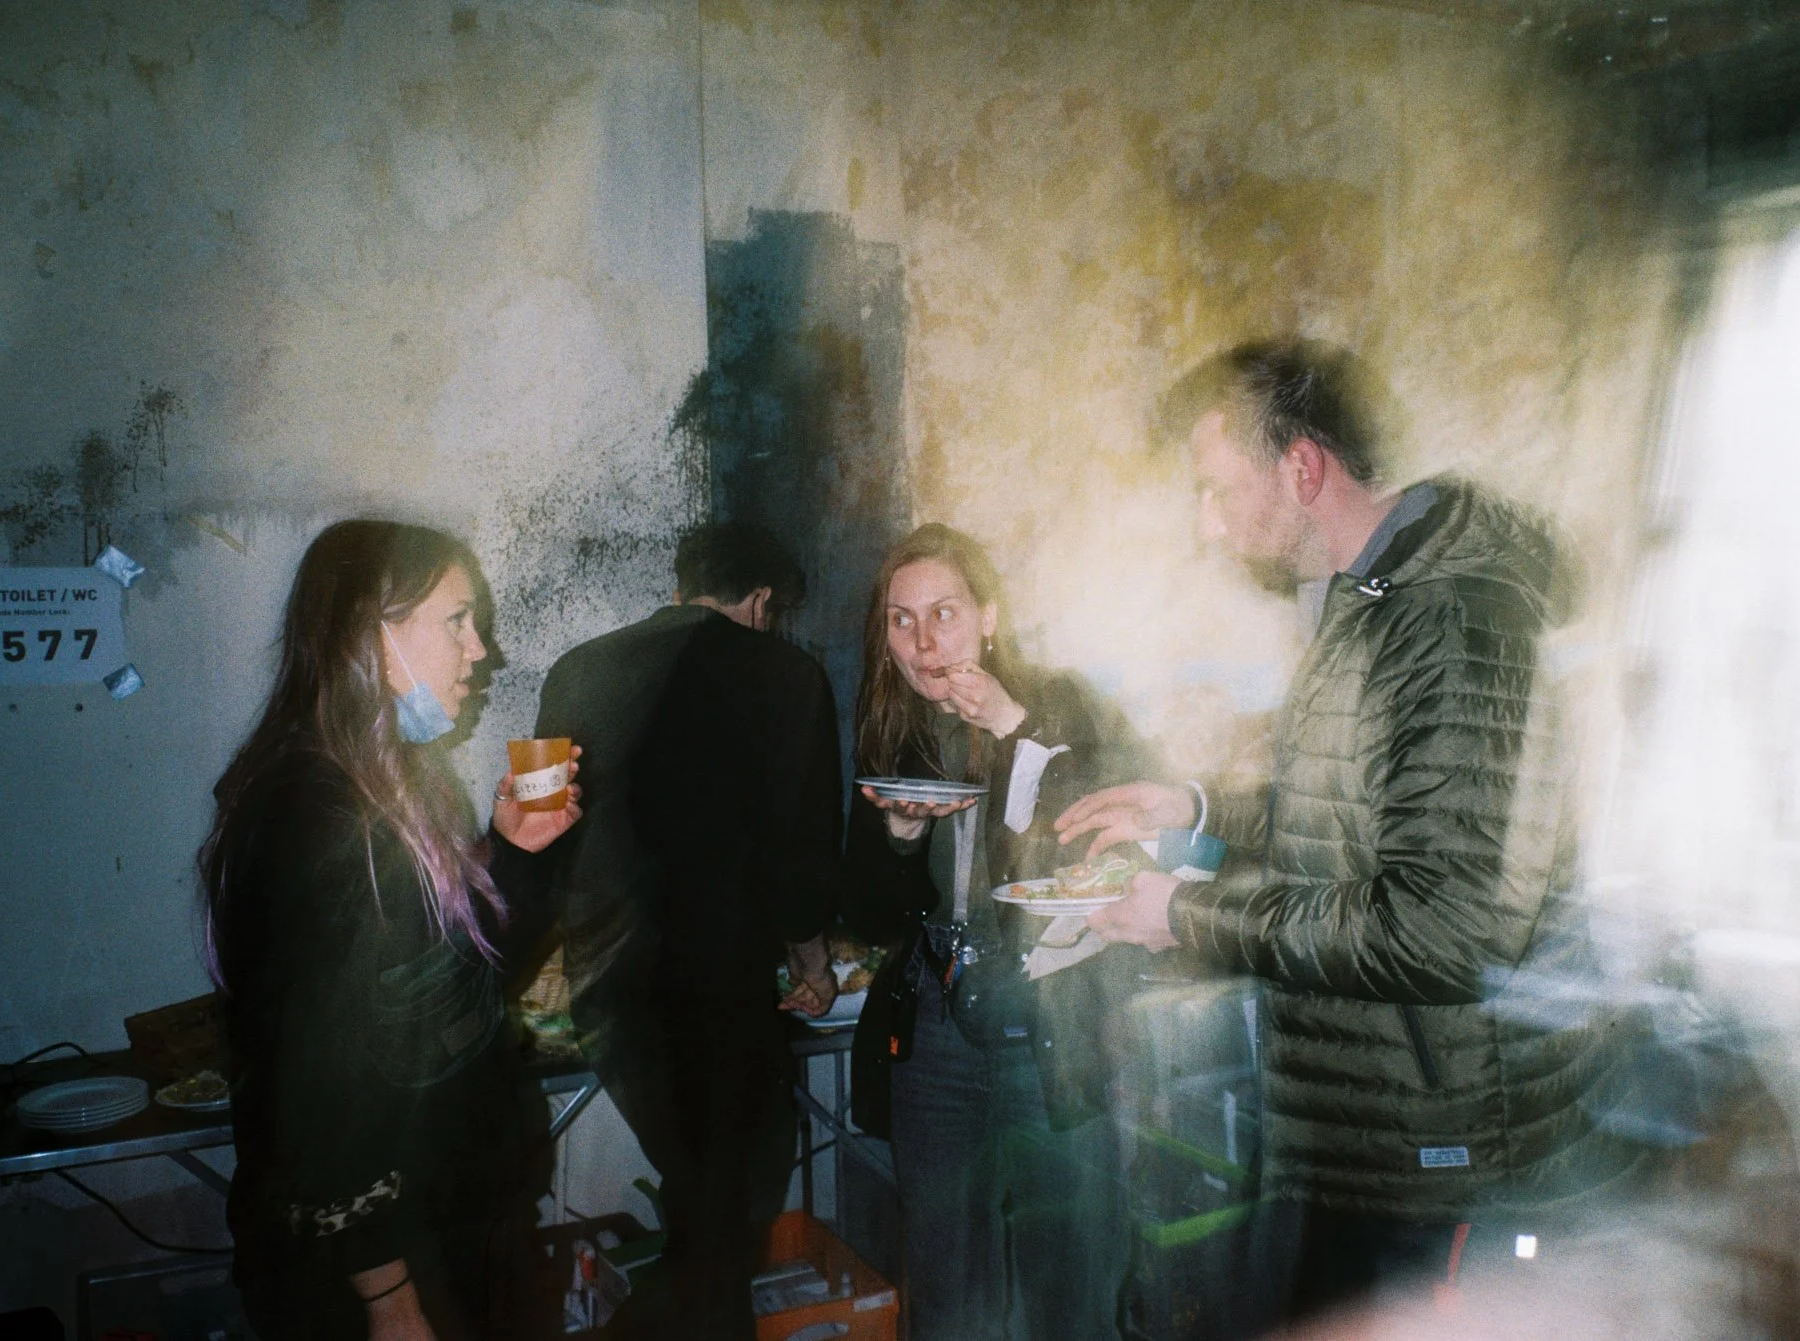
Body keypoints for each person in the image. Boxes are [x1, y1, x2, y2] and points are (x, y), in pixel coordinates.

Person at [1061, 340, 1645, 1328]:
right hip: (1368, 1128)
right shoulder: (1367, 606)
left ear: (1301, 468)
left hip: (1438, 1141)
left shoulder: (1449, 624)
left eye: (1215, 489)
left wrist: (1191, 916)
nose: (1206, 526)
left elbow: (1437, 927)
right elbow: (1347, 822)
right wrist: (1192, 810)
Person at [199, 519, 583, 1341]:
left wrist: (514, 853)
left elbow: (458, 992)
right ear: (367, 630)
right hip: (386, 1264)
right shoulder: (309, 814)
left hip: (455, 1224)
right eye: (456, 619)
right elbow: (308, 1090)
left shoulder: (404, 787)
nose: (480, 650)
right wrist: (388, 1295)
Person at [533, 521, 844, 1341]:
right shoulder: (786, 674)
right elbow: (803, 856)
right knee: (728, 1212)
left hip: (609, 996)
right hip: (718, 996)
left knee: (703, 1213)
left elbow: (544, 829)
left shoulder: (578, 667)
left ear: (682, 585)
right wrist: (815, 964)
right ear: (762, 601)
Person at [842, 522, 1144, 1341]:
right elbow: (866, 918)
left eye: (944, 612)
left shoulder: (1062, 700)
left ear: (990, 617)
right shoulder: (894, 730)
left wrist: (1016, 724)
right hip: (936, 1027)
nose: (924, 640)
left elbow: (1112, 835)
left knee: (1072, 1278)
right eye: (901, 620)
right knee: (945, 1290)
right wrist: (899, 840)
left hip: (1050, 1022)